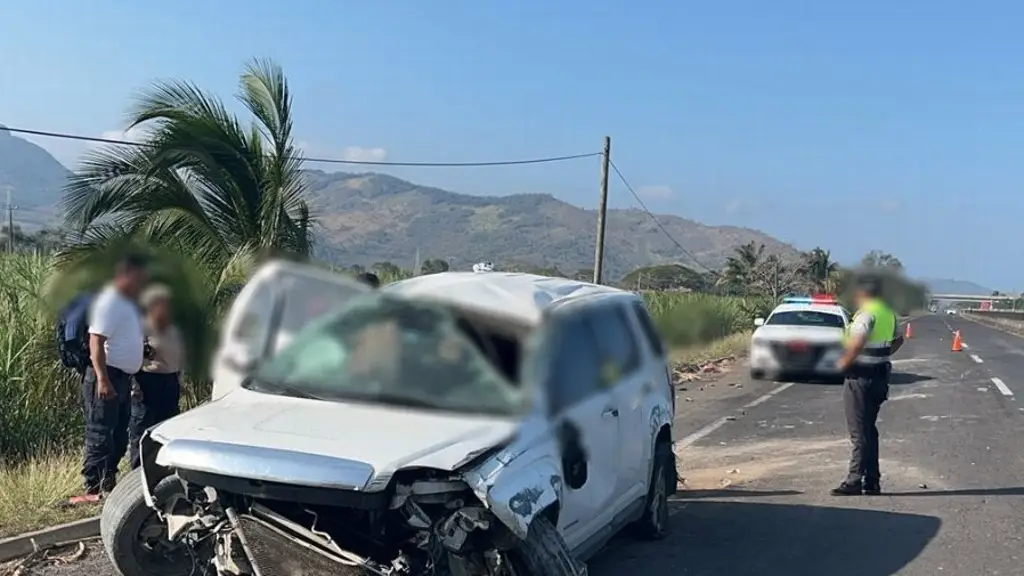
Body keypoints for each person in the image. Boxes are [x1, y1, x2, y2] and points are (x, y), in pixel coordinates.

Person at [70, 254, 148, 504]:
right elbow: (96, 341)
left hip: (123, 377)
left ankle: (109, 482)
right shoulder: (110, 302)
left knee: (119, 433)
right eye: (139, 277)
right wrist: (103, 379)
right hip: (106, 375)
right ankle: (93, 489)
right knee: (100, 432)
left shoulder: (128, 303)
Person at [831, 277, 904, 496]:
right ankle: (872, 481)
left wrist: (843, 363)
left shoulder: (866, 314)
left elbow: (858, 340)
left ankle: (854, 480)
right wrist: (882, 355)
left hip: (860, 378)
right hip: (880, 377)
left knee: (858, 432)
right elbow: (899, 339)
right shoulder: (888, 313)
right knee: (869, 430)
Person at [128, 284, 185, 470]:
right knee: (142, 432)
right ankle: (137, 474)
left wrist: (180, 380)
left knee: (168, 431)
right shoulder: (140, 328)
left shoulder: (175, 328)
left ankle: (165, 472)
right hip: (147, 383)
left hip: (171, 383)